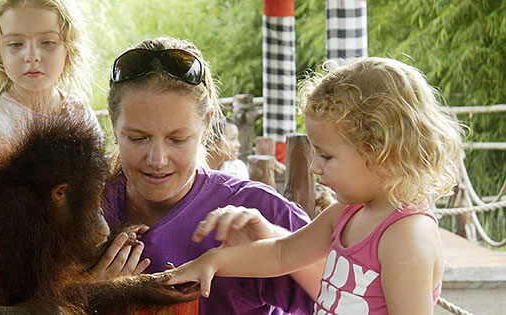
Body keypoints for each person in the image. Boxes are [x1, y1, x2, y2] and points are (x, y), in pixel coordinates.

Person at [165, 57, 465, 314]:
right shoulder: (346, 214)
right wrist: (213, 261)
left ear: (381, 152)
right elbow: (282, 254)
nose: (314, 166)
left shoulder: (406, 234)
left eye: (326, 155)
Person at [91, 36, 324, 315]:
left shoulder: (257, 209)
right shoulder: (81, 208)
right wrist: (85, 295)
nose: (157, 159)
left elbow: (359, 299)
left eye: (177, 139)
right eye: (138, 138)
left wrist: (277, 245)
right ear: (114, 127)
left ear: (206, 126)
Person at [0, 0, 99, 154]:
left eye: (48, 42)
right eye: (16, 44)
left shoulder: (80, 113)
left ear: (68, 48)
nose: (32, 56)